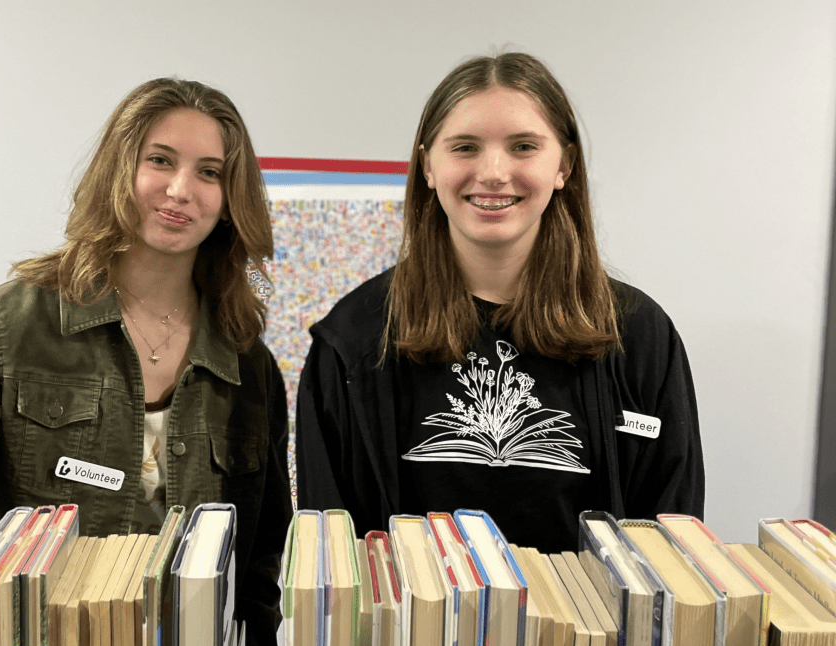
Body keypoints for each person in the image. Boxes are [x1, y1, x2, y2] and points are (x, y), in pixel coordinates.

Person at [0, 78, 291, 646]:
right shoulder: (4, 328)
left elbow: (259, 570)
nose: (179, 190)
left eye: (210, 172)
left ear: (229, 198)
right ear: (120, 168)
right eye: (159, 160)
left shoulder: (249, 363)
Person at [296, 53, 704, 553]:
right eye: (464, 147)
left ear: (564, 167)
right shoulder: (353, 340)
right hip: (411, 632)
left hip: (591, 631)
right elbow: (331, 560)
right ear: (428, 165)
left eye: (524, 146)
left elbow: (673, 550)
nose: (493, 172)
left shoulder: (641, 336)